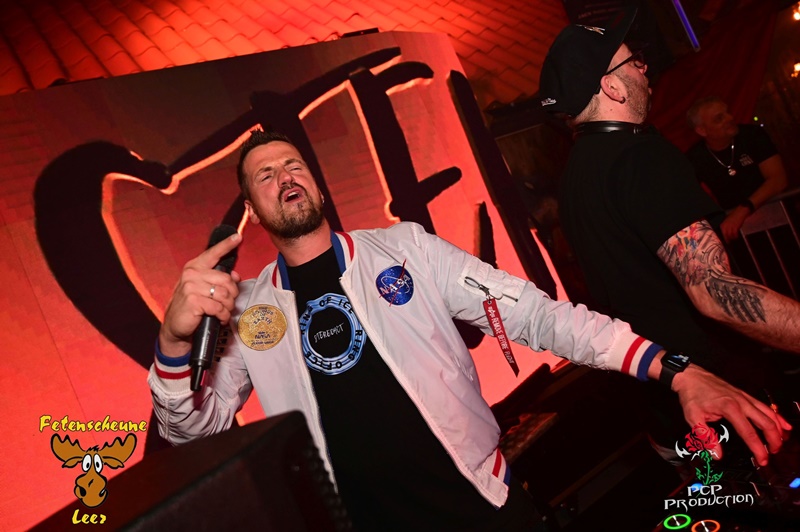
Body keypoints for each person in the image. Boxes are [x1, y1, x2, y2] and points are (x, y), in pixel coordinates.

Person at [149, 129, 789, 530]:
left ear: (313, 182)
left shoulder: (406, 251)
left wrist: (674, 369)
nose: (283, 177)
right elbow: (194, 432)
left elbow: (536, 314)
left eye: (292, 164)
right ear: (253, 211)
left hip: (484, 512)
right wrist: (174, 345)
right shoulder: (249, 312)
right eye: (264, 175)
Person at [538, 7, 798, 462]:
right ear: (611, 87)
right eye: (633, 61)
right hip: (730, 406)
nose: (645, 67)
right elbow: (714, 293)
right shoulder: (641, 157)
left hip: (669, 414)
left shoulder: (576, 177)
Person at [686, 96, 788, 242]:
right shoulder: (695, 157)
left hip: (779, 218)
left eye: (728, 112)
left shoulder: (752, 135)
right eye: (719, 118)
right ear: (702, 130)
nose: (730, 118)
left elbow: (778, 180)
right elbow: (689, 199)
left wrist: (742, 211)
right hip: (738, 233)